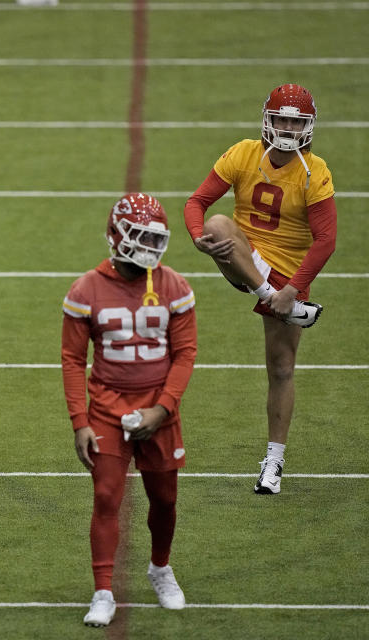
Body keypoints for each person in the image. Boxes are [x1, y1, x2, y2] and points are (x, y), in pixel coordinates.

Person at [184, 83, 336, 495]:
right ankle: (267, 296)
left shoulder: (315, 172)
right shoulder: (244, 153)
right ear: (268, 121)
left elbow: (326, 241)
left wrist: (294, 289)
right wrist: (198, 236)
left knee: (282, 367)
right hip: (244, 257)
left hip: (288, 274)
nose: (287, 127)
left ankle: (274, 461)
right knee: (217, 225)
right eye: (282, 119)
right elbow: (197, 202)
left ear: (308, 126)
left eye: (295, 121)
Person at [62, 194, 197, 627]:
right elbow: (71, 358)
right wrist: (79, 421)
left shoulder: (174, 285)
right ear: (116, 234)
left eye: (155, 238)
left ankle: (160, 567)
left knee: (165, 497)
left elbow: (185, 352)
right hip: (106, 407)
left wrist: (164, 408)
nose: (148, 247)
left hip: (159, 408)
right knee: (106, 497)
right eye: (139, 236)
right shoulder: (86, 289)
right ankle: (103, 591)